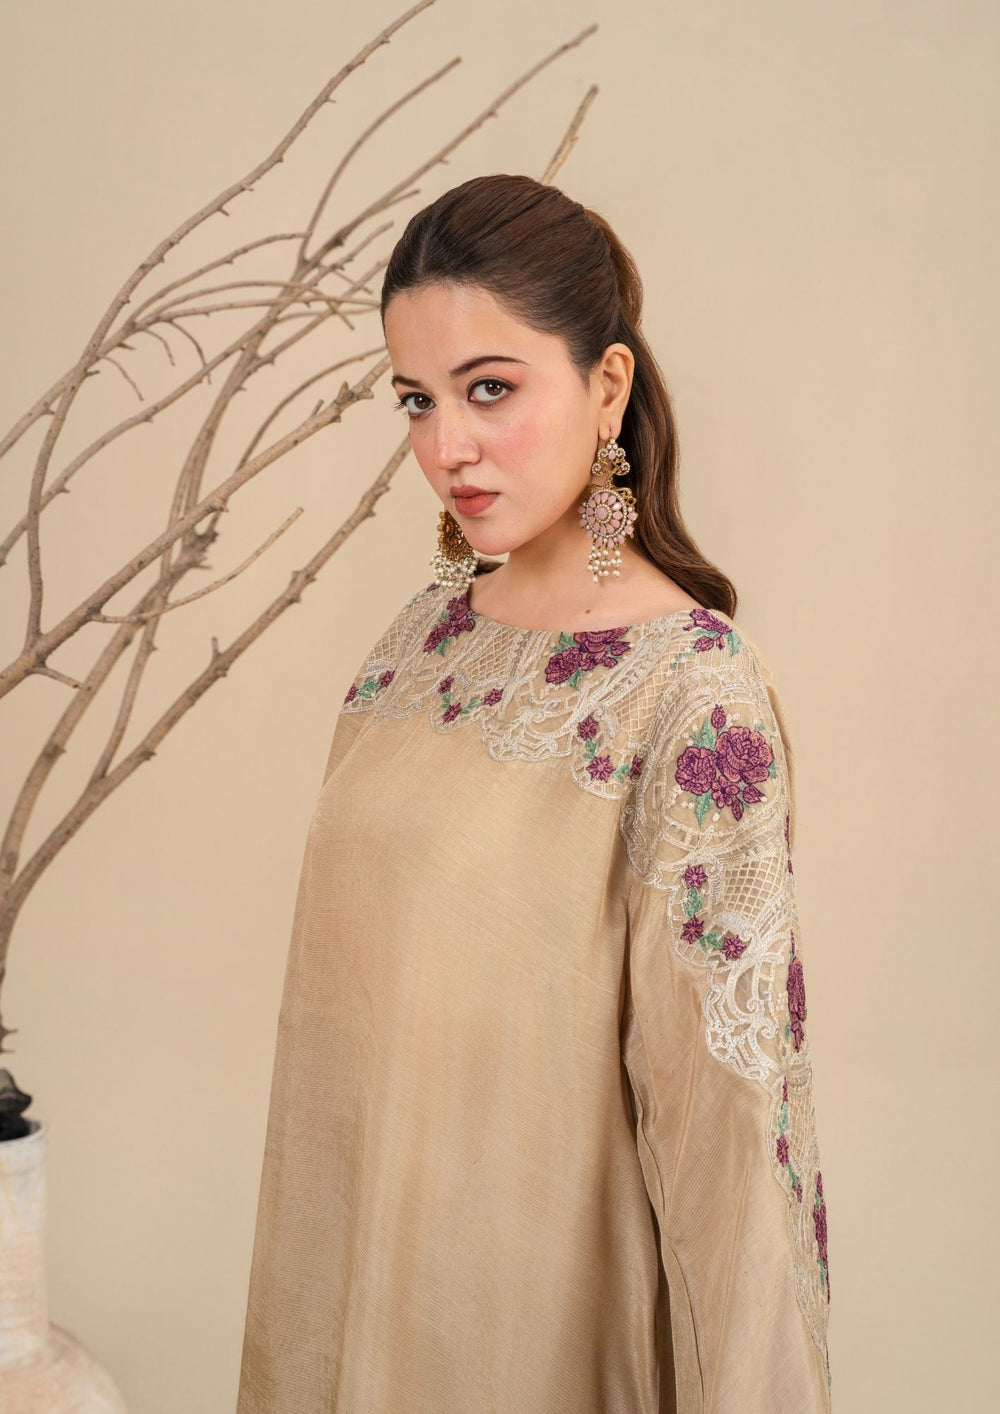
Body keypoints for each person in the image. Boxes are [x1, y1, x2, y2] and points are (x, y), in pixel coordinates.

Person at [236, 173, 832, 1413]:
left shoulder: (691, 694)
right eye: (417, 399)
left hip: (533, 1343)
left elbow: (730, 1134)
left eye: (490, 388)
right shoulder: (415, 645)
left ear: (606, 386)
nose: (445, 446)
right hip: (352, 1310)